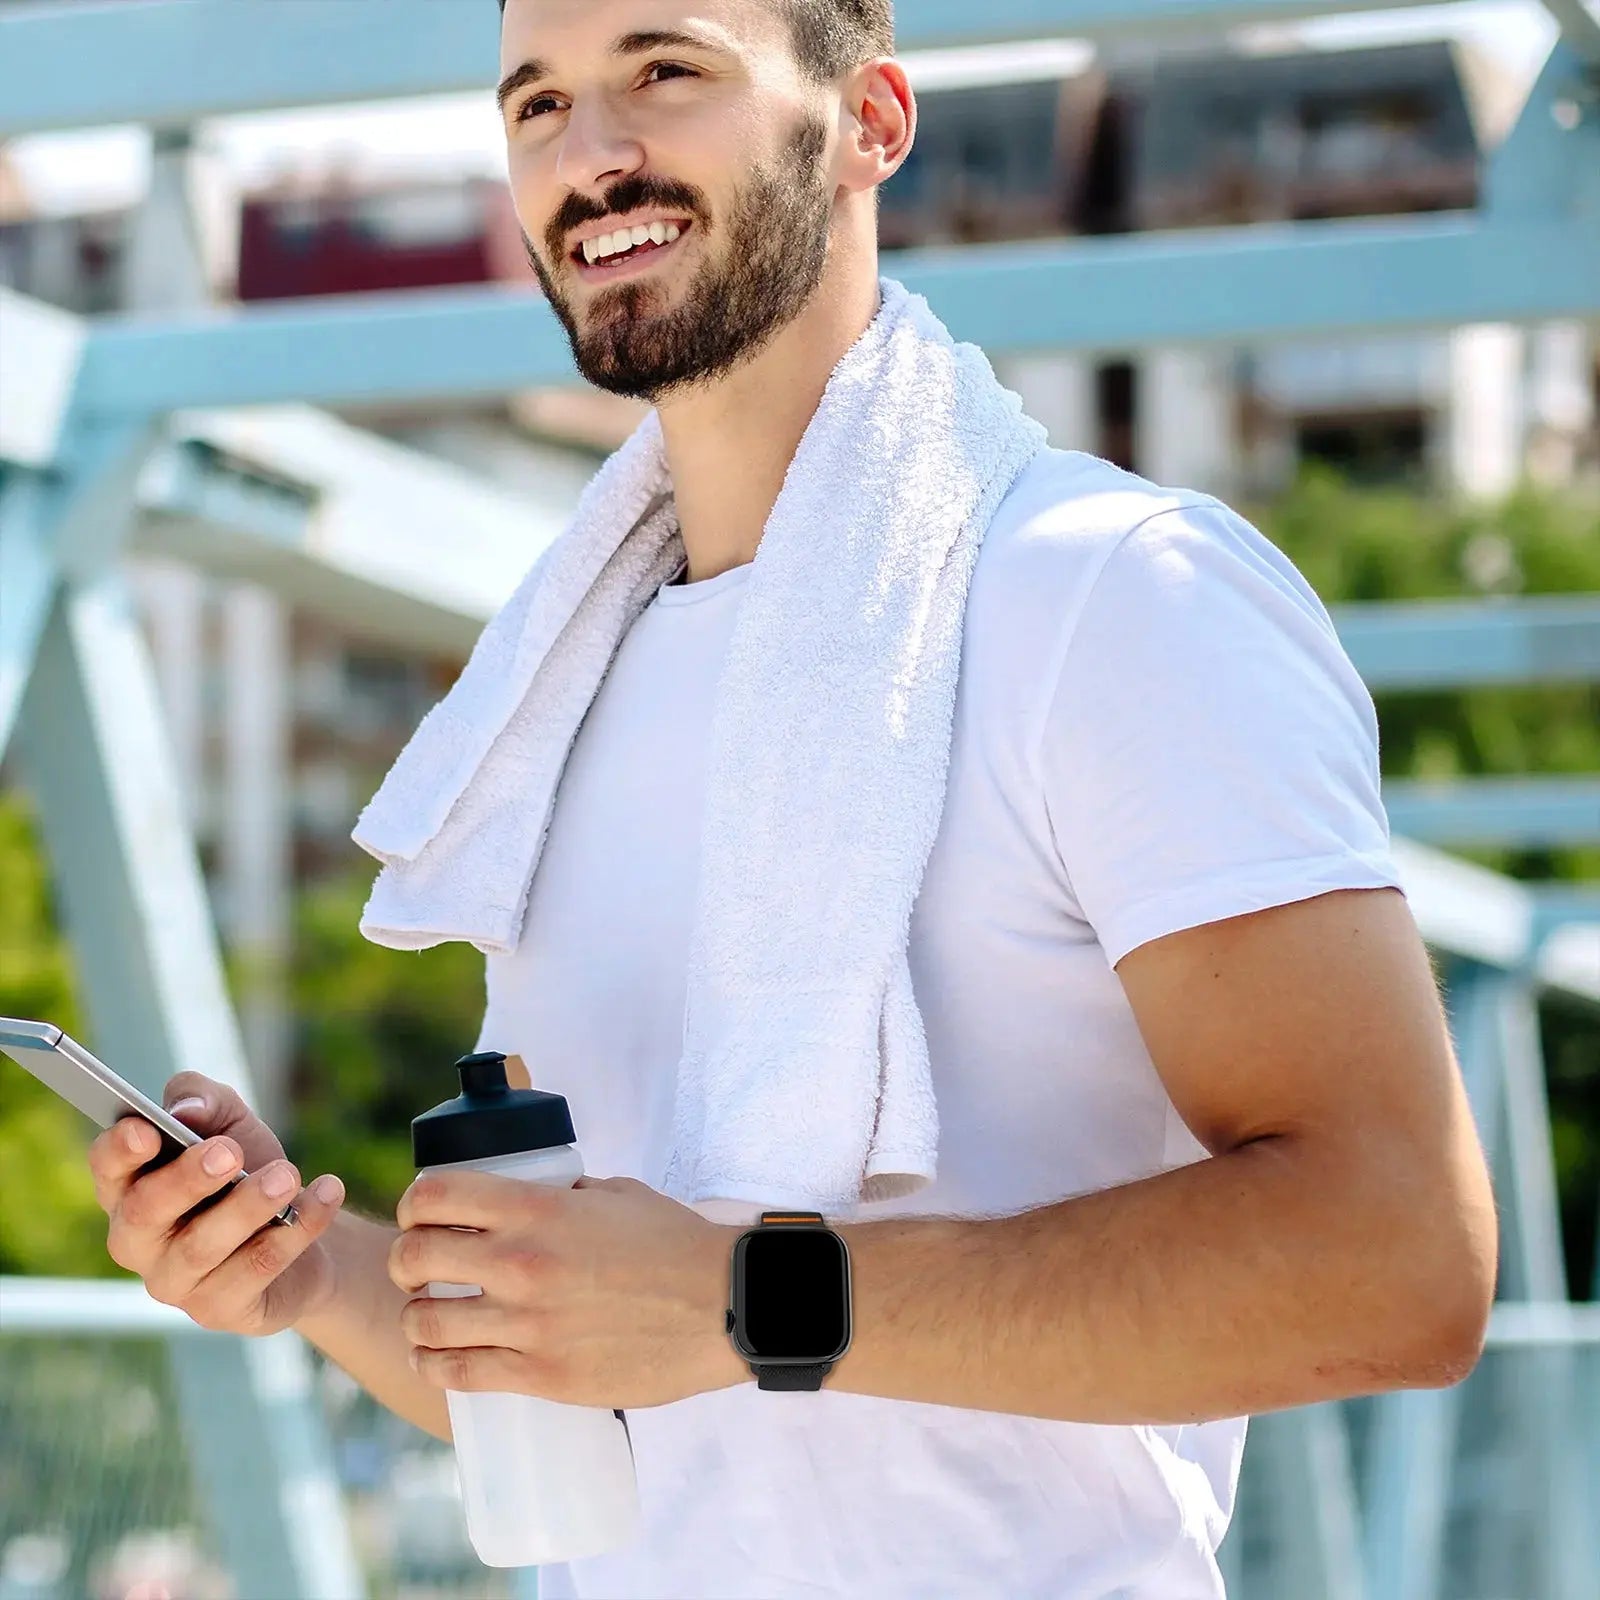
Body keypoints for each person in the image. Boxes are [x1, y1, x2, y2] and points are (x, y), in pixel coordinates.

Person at [88, 2, 1499, 1597]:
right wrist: (308, 1276)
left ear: (874, 124)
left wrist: (739, 1303)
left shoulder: (1116, 598)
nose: (590, 155)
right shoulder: (561, 694)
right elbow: (629, 1389)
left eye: (665, 72)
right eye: (537, 102)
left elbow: (1398, 1261)